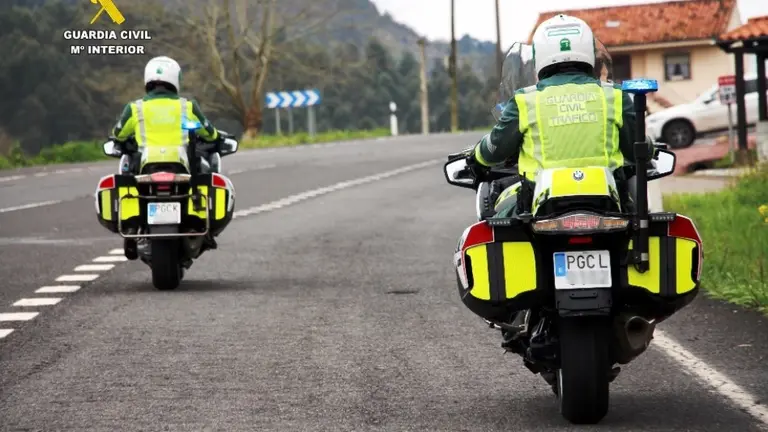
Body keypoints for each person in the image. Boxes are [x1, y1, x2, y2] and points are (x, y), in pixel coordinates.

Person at [466, 14, 655, 217]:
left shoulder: (526, 100)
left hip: (539, 208)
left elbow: (493, 152)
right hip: (609, 206)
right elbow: (638, 149)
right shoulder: (614, 96)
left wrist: (475, 155)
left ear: (539, 56)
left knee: (494, 224)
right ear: (590, 53)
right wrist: (651, 146)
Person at [111, 56, 222, 175]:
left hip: (145, 169)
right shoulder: (188, 106)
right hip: (183, 169)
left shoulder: (134, 108)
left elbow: (118, 135)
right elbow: (211, 135)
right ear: (176, 79)